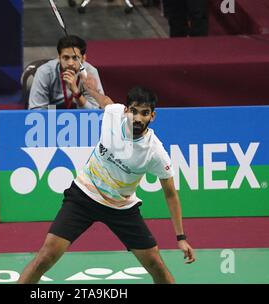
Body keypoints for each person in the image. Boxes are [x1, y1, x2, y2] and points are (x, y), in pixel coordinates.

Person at [18, 86, 195, 284]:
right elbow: (105, 101)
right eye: (134, 111)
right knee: (46, 256)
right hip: (83, 196)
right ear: (126, 110)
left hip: (121, 208)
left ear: (152, 116)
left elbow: (171, 194)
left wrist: (181, 237)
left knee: (156, 265)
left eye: (144, 113)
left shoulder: (155, 153)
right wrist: (85, 88)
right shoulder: (114, 113)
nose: (138, 118)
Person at [28, 35, 105, 110]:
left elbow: (95, 112)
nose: (70, 63)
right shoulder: (44, 72)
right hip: (52, 113)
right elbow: (36, 110)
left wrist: (76, 93)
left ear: (83, 58)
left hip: (79, 115)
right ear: (59, 57)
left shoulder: (90, 73)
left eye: (75, 58)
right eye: (66, 57)